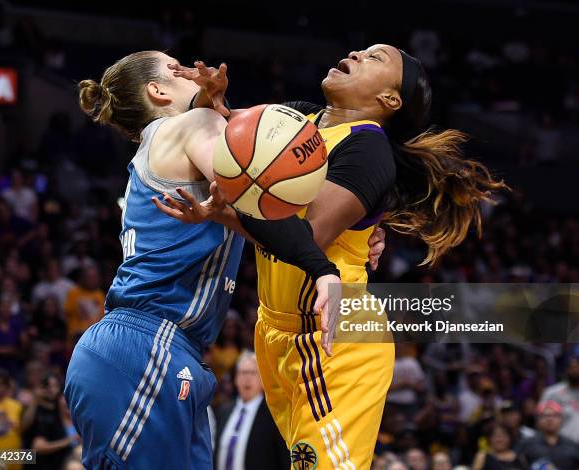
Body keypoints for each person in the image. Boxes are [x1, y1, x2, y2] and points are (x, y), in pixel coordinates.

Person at [161, 44, 506, 469]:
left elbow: (308, 239)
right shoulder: (297, 119)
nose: (357, 53)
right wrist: (208, 102)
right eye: (362, 49)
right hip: (275, 329)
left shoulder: (367, 150)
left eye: (376, 58)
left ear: (390, 100)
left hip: (333, 338)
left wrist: (224, 215)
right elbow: (227, 155)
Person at [63, 50, 385, 469]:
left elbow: (255, 193)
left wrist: (364, 225)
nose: (197, 68)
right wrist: (322, 269)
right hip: (147, 347)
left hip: (166, 352)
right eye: (176, 65)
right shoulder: (190, 126)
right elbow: (257, 200)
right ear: (158, 90)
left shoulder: (173, 135)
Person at [214, 351, 287, 470]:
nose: (247, 378)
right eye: (243, 373)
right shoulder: (223, 411)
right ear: (236, 379)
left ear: (263, 380)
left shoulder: (274, 415)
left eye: (253, 373)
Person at [22, 373, 79, 470]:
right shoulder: (39, 412)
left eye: (55, 386)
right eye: (47, 386)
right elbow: (25, 429)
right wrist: (70, 440)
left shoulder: (63, 411)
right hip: (38, 462)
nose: (51, 390)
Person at [516, 400, 579, 469]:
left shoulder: (572, 445)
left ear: (561, 419)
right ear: (537, 420)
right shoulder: (526, 444)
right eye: (545, 415)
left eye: (555, 415)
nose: (550, 419)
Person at [538, 355, 579, 444]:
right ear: (566, 370)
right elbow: (540, 418)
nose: (575, 370)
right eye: (572, 367)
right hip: (561, 446)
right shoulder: (552, 392)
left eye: (577, 367)